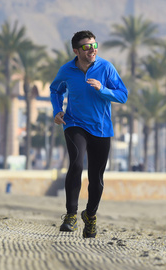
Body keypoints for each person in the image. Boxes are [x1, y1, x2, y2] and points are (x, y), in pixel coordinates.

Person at [50, 30, 128, 238]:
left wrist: (103, 89)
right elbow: (55, 90)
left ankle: (90, 216)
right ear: (76, 50)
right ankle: (71, 215)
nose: (92, 50)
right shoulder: (67, 70)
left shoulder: (106, 67)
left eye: (94, 45)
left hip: (102, 128)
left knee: (96, 177)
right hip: (74, 123)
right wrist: (57, 110)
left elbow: (123, 95)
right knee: (75, 164)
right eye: (86, 47)